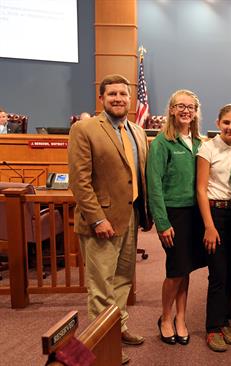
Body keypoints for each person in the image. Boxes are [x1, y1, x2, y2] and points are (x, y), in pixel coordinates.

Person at [68, 74, 152, 365]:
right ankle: (101, 344)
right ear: (102, 98)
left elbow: (138, 175)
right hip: (101, 221)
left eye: (123, 94)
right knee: (101, 285)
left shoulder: (138, 131)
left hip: (130, 216)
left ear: (130, 100)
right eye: (112, 94)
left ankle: (118, 328)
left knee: (122, 281)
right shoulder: (85, 128)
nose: (119, 98)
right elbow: (79, 181)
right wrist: (96, 219)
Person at [147, 89, 205, 347]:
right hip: (174, 214)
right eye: (180, 106)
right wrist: (162, 222)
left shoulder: (200, 142)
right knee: (175, 269)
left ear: (195, 112)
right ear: (171, 110)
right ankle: (166, 317)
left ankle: (182, 317)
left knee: (186, 268)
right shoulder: (162, 142)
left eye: (190, 107)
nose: (185, 111)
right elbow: (154, 186)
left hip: (196, 213)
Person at [196, 104, 231, 352]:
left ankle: (224, 320)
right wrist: (209, 225)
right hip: (216, 213)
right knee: (218, 273)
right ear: (218, 123)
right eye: (226, 122)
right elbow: (200, 189)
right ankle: (212, 328)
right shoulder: (207, 147)